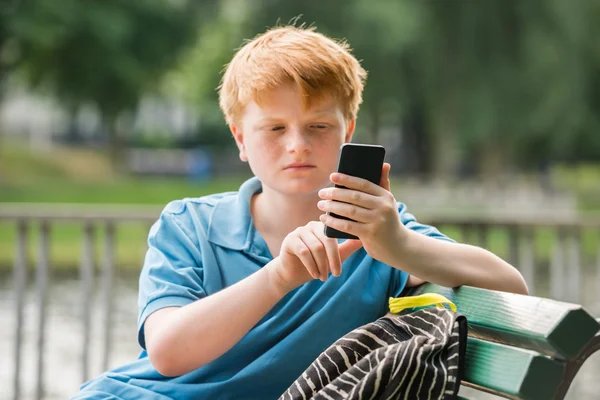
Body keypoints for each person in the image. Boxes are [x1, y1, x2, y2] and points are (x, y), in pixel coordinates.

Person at [71, 25, 528, 400]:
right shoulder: (189, 225)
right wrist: (279, 276)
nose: (297, 145)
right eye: (274, 128)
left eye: (318, 126)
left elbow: (512, 289)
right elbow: (167, 352)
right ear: (240, 139)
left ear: (347, 130)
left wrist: (399, 245)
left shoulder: (376, 231)